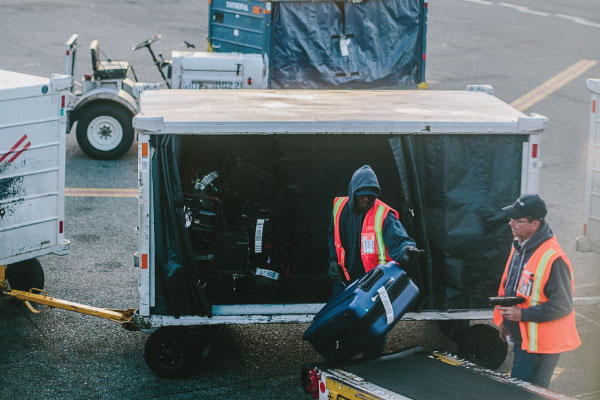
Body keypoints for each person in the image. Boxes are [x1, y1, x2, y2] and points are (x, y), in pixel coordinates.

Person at [327, 165, 423, 357]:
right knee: (337, 329)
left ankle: (371, 367)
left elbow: (400, 240)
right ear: (353, 192)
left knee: (374, 331)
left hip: (373, 287)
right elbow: (333, 238)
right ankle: (337, 364)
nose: (366, 199)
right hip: (345, 282)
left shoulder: (383, 215)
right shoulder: (339, 209)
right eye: (362, 194)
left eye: (371, 195)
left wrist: (407, 252)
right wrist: (332, 262)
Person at [493, 194, 581, 388]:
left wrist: (521, 314)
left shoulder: (553, 258)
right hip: (524, 341)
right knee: (520, 392)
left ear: (535, 224)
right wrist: (506, 321)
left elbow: (562, 306)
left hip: (540, 347)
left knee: (529, 394)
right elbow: (514, 288)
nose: (511, 224)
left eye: (517, 220)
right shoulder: (520, 246)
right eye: (511, 218)